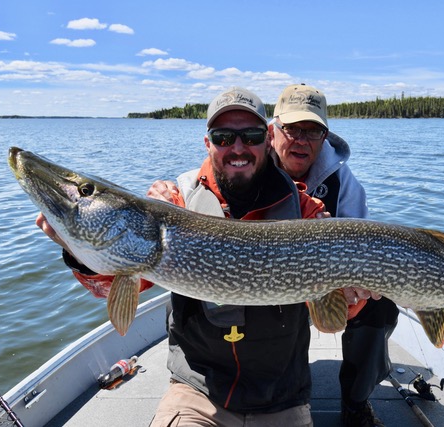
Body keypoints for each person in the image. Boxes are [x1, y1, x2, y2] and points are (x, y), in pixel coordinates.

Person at [37, 87, 326, 426]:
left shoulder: (307, 212)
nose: (237, 147)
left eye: (251, 135)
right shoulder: (175, 204)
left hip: (282, 397)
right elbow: (117, 281)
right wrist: (79, 252)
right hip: (197, 393)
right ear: (208, 144)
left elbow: (339, 311)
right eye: (223, 137)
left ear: (268, 140)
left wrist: (354, 296)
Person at [269, 83, 400, 427]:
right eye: (292, 129)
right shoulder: (250, 167)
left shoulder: (345, 183)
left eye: (312, 130)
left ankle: (355, 400)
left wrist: (355, 289)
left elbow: (361, 249)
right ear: (273, 129)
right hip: (270, 286)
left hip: (327, 287)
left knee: (381, 304)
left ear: (325, 136)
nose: (301, 139)